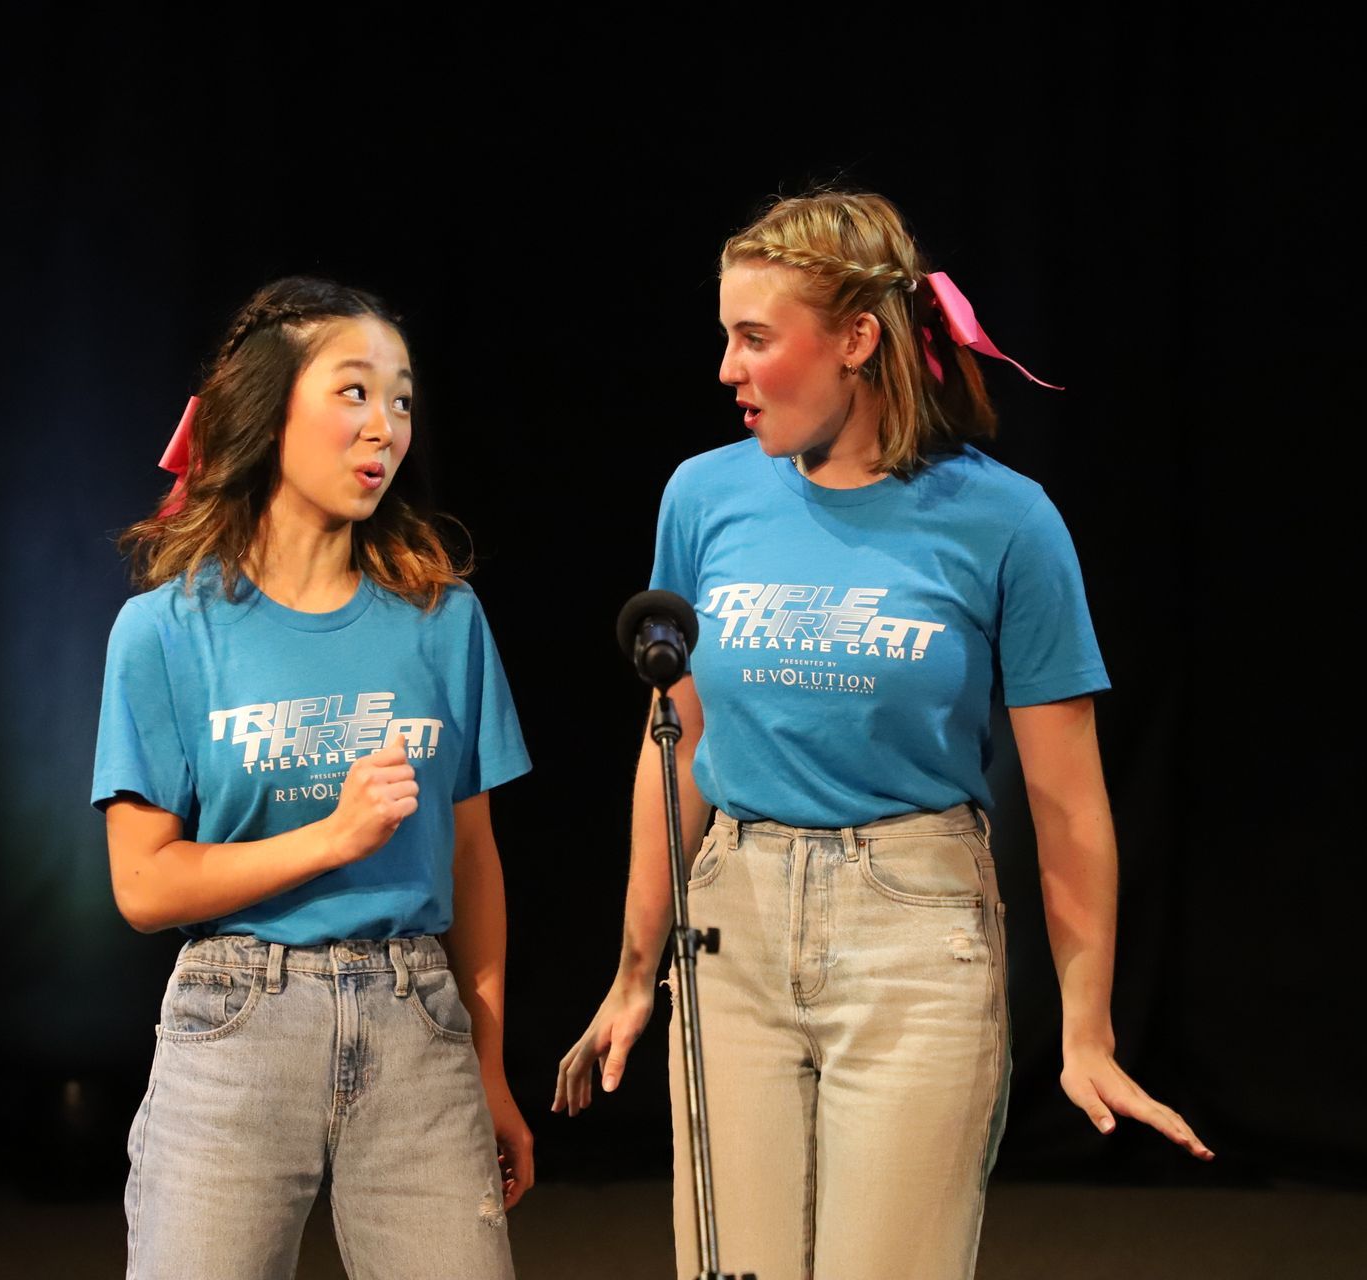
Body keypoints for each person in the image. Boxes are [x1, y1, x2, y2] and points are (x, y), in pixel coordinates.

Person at [555, 191, 1211, 1279]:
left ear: (857, 338)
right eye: (727, 336)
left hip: (915, 934)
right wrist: (635, 971)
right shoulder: (703, 495)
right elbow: (671, 742)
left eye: (756, 338)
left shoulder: (1005, 519)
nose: (727, 367)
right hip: (733, 933)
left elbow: (1066, 802)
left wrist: (1087, 1027)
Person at [92, 276, 532, 1279]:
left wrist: (489, 1067)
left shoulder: (442, 618)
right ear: (267, 406)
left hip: (417, 1021)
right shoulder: (165, 630)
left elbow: (473, 855)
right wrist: (331, 839)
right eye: (355, 391)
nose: (387, 425)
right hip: (237, 1022)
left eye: (404, 398)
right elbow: (144, 884)